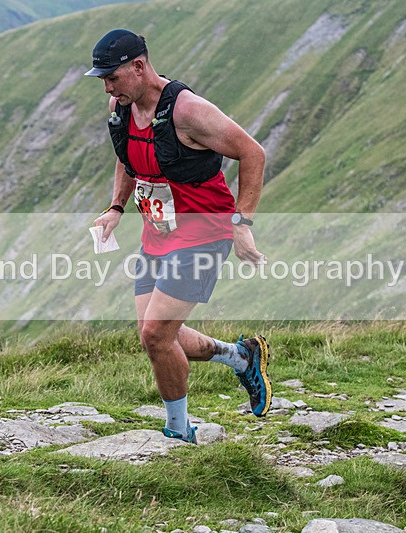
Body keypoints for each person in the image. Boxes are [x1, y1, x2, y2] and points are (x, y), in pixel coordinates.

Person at [86, 29, 272, 443]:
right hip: (158, 234)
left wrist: (242, 225)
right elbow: (126, 158)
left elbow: (253, 153)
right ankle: (240, 358)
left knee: (156, 334)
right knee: (155, 337)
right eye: (101, 79)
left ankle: (178, 430)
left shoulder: (188, 111)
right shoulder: (121, 110)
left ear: (138, 66)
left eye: (111, 77)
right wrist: (116, 208)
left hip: (205, 232)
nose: (107, 88)